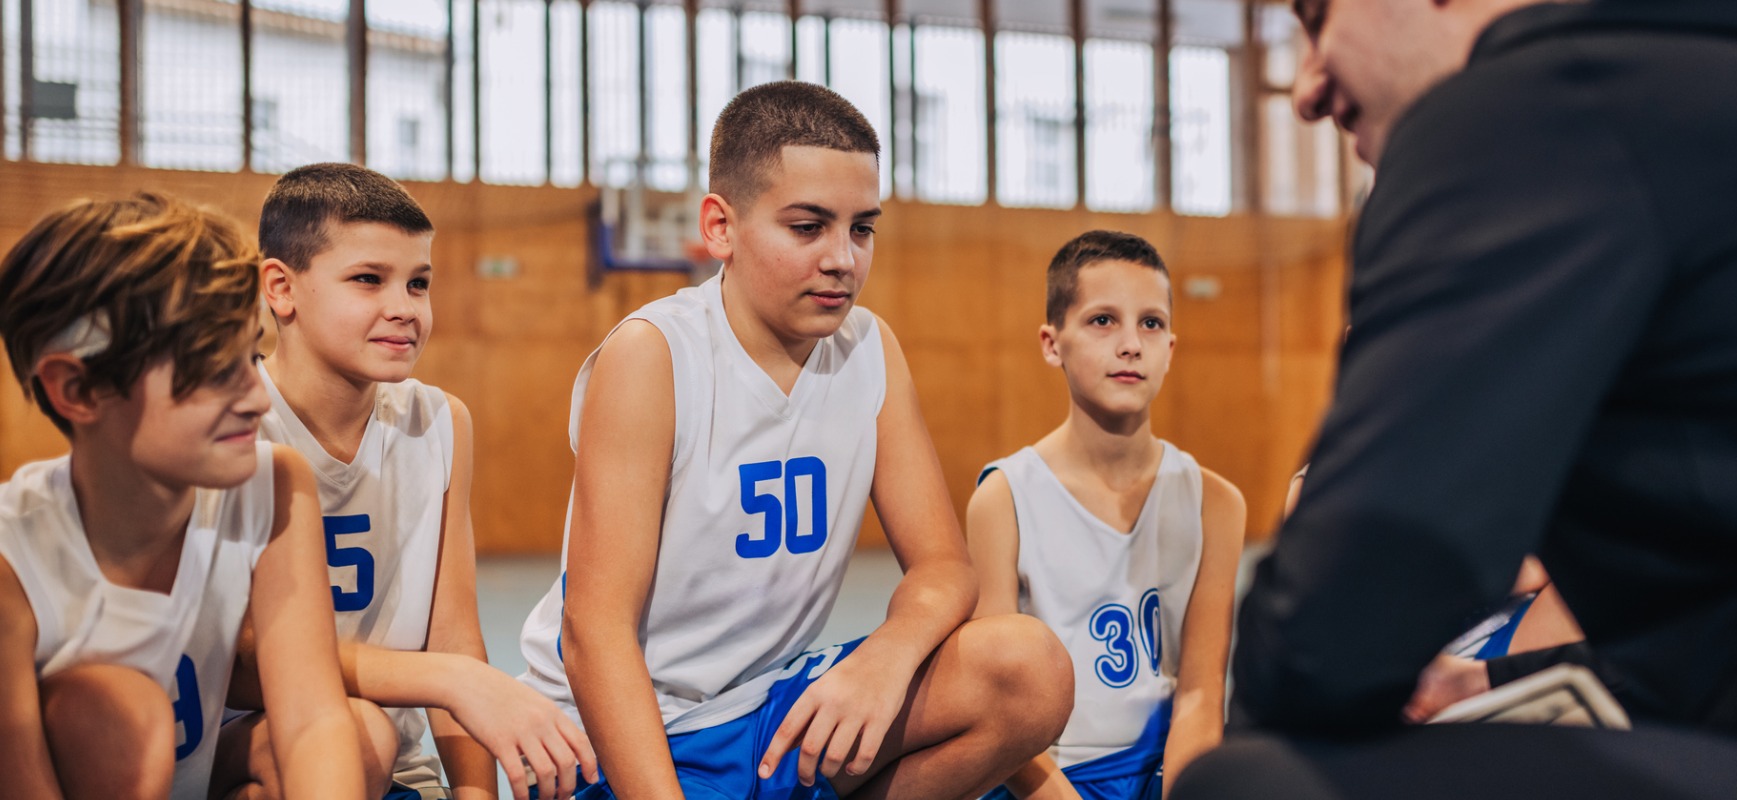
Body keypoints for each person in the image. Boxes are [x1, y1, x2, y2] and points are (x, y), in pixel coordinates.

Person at [1175, 0, 1737, 796]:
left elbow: (1327, 636)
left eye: (1318, 17)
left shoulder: (1540, 108)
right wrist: (1498, 683)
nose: (1308, 88)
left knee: (1250, 783)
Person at [516, 80, 1073, 800]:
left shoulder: (870, 347)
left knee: (1028, 670)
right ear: (720, 227)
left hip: (769, 712)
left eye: (862, 228)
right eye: (808, 227)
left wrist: (885, 659)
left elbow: (943, 566)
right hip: (622, 734)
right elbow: (594, 632)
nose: (843, 257)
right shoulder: (654, 356)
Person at [224, 163, 597, 800]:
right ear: (281, 288)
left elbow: (452, 633)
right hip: (249, 746)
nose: (403, 308)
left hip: (392, 765)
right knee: (354, 735)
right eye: (368, 280)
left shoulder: (440, 421)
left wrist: (473, 793)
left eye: (419, 283)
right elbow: (238, 662)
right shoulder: (231, 422)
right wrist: (446, 680)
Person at [0, 192, 372, 800]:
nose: (257, 397)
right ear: (78, 389)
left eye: (253, 356)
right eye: (213, 369)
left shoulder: (272, 484)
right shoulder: (12, 561)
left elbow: (311, 721)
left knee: (359, 737)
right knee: (116, 716)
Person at [967, 231, 1245, 799]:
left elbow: (1199, 693)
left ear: (1171, 346)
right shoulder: (1004, 499)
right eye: (1102, 321)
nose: (1130, 344)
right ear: (1052, 343)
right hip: (1044, 777)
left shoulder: (1216, 503)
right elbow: (993, 702)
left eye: (1150, 323)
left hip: (1169, 769)